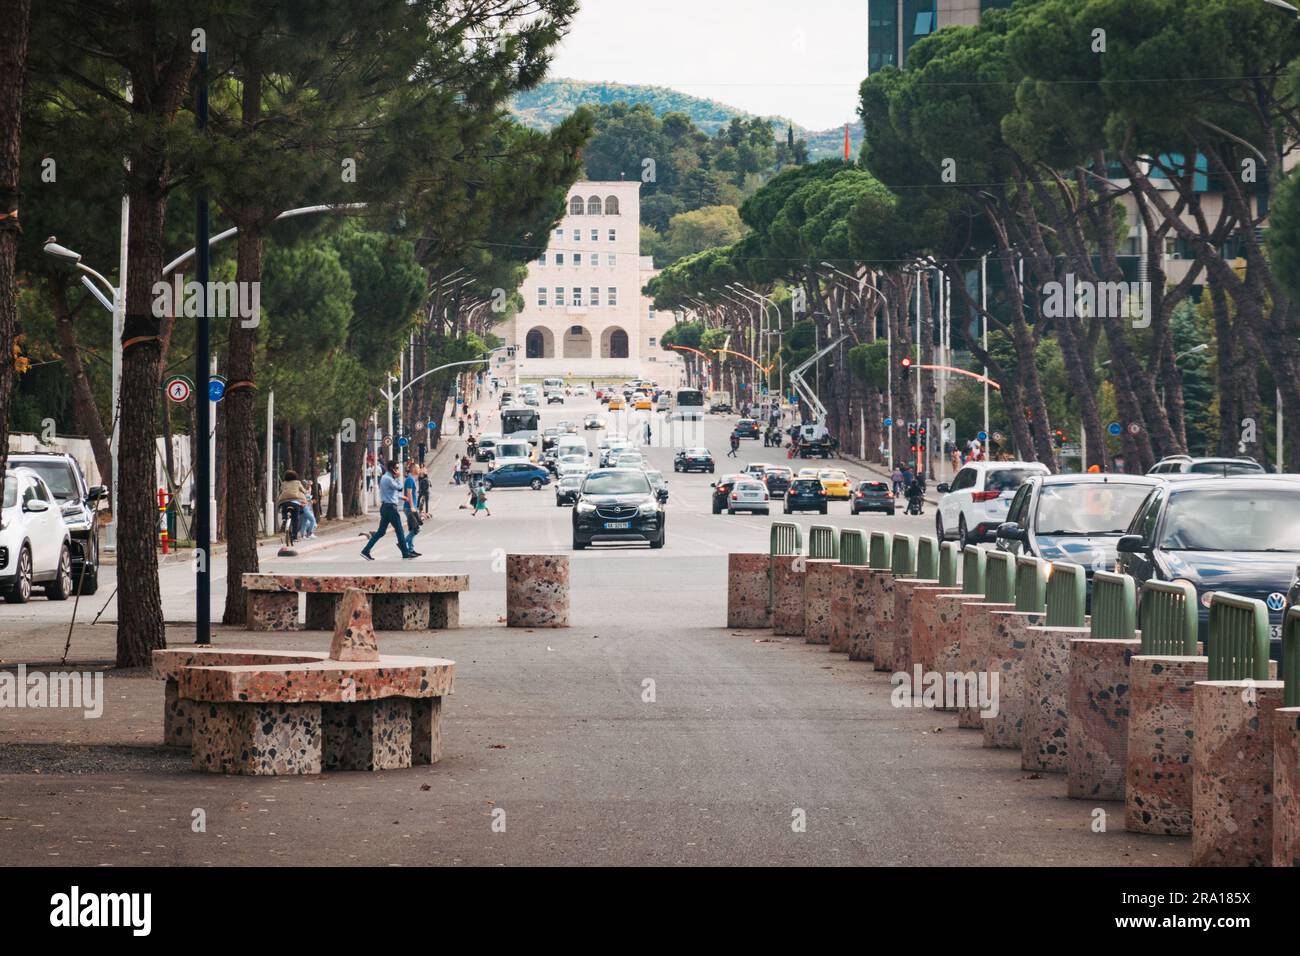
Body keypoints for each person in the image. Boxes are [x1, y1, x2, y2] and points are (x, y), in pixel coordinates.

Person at [361, 460, 415, 560]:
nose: (398, 470)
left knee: (381, 532)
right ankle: (405, 553)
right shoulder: (388, 479)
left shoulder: (387, 478)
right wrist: (399, 478)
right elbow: (399, 487)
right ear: (392, 469)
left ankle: (365, 550)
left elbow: (390, 493)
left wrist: (401, 497)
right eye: (397, 468)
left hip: (386, 507)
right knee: (400, 531)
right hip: (390, 508)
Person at [275, 469, 310, 536]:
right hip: (295, 500)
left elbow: (281, 491)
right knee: (295, 519)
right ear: (295, 476)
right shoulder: (297, 482)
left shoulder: (283, 483)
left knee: (284, 509)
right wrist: (305, 492)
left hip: (283, 500)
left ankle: (284, 518)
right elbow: (304, 491)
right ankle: (294, 536)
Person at [403, 464, 422, 556]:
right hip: (409, 508)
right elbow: (409, 494)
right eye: (418, 467)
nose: (419, 469)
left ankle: (411, 549)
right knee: (417, 528)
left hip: (412, 507)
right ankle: (403, 544)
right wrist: (412, 507)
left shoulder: (412, 479)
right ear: (413, 469)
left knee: (413, 529)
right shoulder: (410, 479)